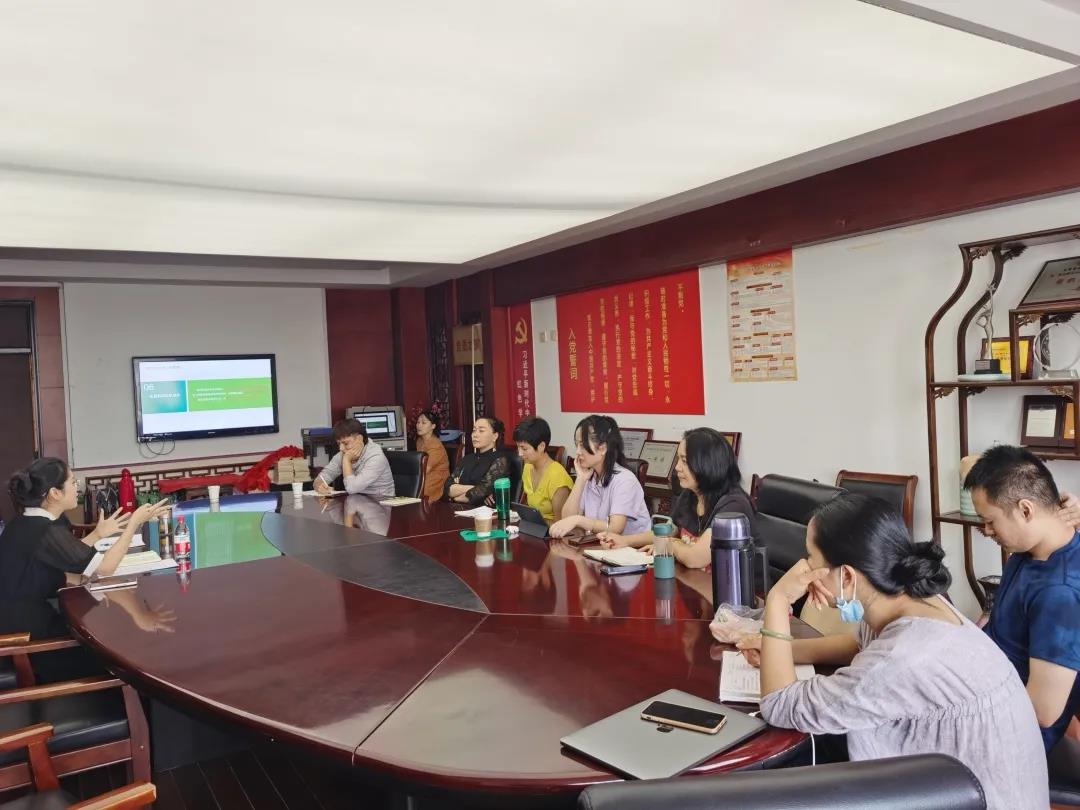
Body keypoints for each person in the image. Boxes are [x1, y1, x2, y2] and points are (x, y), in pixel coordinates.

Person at [750, 492, 1047, 809]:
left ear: (847, 576)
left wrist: (778, 600)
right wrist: (780, 649)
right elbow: (859, 647)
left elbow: (779, 705)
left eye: (811, 559)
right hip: (963, 787)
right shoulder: (910, 599)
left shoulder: (903, 656)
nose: (804, 569)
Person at [0, 458, 170, 680]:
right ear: (55, 493)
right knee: (123, 654)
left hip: (21, 626)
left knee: (113, 635)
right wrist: (134, 524)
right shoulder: (45, 530)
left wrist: (98, 535)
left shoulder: (24, 522)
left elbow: (65, 558)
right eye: (72, 482)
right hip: (33, 644)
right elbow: (106, 568)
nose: (77, 487)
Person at [964, 445, 1080, 753]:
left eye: (990, 521)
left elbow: (1042, 711)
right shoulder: (1028, 551)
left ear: (1026, 510)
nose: (986, 531)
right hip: (985, 682)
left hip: (1009, 737)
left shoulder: (1059, 594)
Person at [598, 427, 753, 566]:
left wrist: (669, 544)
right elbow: (669, 531)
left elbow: (695, 558)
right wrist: (625, 541)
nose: (677, 467)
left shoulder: (734, 506)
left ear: (707, 464)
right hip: (694, 581)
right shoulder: (690, 494)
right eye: (679, 459)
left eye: (684, 461)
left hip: (730, 587)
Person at [549, 415, 651, 539]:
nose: (578, 452)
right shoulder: (589, 476)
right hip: (599, 545)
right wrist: (580, 479)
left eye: (583, 445)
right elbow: (566, 520)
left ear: (602, 449)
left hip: (631, 549)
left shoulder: (625, 480)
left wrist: (579, 520)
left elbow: (615, 528)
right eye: (577, 445)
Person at [314, 419, 395, 499]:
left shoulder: (376, 457)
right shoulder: (343, 453)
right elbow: (322, 477)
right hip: (356, 501)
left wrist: (346, 460)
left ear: (359, 439)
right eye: (339, 444)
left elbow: (352, 488)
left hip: (380, 502)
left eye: (346, 443)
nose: (341, 448)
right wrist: (319, 485)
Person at [514, 416, 573, 524]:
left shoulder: (557, 476)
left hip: (553, 531)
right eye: (518, 447)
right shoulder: (528, 466)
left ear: (541, 446)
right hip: (534, 528)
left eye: (524, 448)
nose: (520, 453)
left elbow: (561, 523)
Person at [445, 417, 511, 505]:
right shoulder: (467, 458)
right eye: (474, 430)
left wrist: (456, 497)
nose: (475, 435)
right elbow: (447, 488)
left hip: (483, 511)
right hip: (458, 509)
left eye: (481, 431)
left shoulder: (500, 460)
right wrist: (476, 488)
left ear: (495, 436)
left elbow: (481, 492)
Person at [415, 410, 450, 502]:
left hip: (437, 479)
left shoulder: (435, 445)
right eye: (418, 422)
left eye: (424, 423)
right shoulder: (419, 441)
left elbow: (426, 469)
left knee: (416, 490)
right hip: (424, 475)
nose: (419, 425)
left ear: (433, 426)